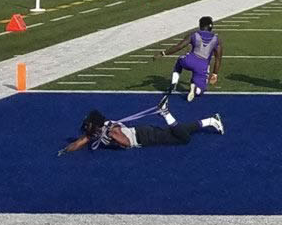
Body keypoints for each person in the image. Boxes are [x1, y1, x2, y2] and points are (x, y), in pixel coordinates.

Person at [60, 104, 225, 153]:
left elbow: (125, 144)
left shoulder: (111, 129)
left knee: (184, 139)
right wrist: (65, 150)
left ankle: (166, 114)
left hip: (144, 137)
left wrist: (111, 136)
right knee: (179, 133)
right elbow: (80, 141)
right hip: (142, 133)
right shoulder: (98, 130)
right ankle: (210, 121)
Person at [168, 16, 221, 103]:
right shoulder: (216, 39)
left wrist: (163, 53)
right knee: (201, 90)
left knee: (180, 60)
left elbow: (179, 46)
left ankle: (174, 82)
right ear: (211, 26)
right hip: (202, 65)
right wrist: (215, 74)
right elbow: (218, 58)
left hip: (189, 60)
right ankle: (195, 88)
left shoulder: (194, 34)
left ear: (200, 25)